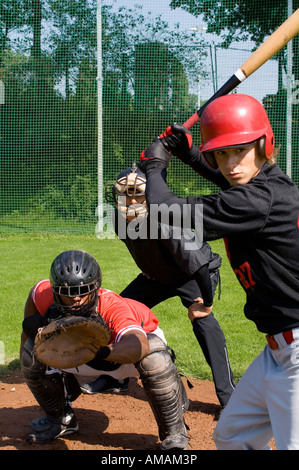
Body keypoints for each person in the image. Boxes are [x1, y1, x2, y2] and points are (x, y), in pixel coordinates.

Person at [138, 93, 299, 450]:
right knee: (232, 436)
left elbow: (168, 210)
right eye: (221, 153)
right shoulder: (267, 187)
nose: (229, 162)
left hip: (297, 348)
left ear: (263, 144)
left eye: (239, 150)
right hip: (277, 350)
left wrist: (154, 166)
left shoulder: (260, 200)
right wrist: (189, 154)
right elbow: (229, 183)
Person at [85, 162, 234, 411]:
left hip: (193, 274)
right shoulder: (120, 219)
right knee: (115, 314)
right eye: (125, 195)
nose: (130, 202)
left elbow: (196, 264)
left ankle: (230, 399)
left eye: (137, 195)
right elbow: (141, 248)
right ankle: (116, 376)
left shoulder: (165, 220)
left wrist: (206, 304)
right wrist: (150, 268)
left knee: (203, 322)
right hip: (157, 277)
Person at [20, 249, 189, 450]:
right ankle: (61, 420)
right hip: (82, 353)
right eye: (69, 293)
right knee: (31, 353)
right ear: (56, 292)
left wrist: (100, 352)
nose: (76, 299)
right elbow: (33, 299)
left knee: (154, 357)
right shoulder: (45, 294)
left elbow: (139, 344)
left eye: (84, 291)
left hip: (126, 354)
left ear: (96, 289)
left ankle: (174, 434)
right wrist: (35, 353)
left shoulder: (111, 306)